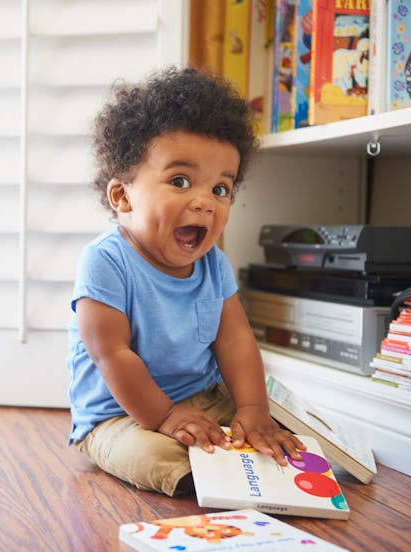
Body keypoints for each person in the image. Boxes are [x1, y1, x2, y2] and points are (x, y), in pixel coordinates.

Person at [66, 66, 305, 497]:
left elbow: (235, 342)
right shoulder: (105, 262)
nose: (204, 202)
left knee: (280, 419)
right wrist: (164, 417)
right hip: (120, 414)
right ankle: (208, 466)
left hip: (204, 397)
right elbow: (112, 354)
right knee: (154, 457)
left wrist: (252, 408)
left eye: (221, 189)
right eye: (180, 181)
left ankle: (240, 448)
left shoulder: (214, 264)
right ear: (123, 196)